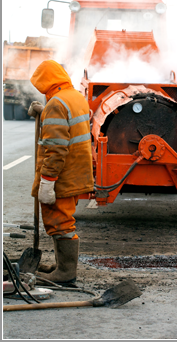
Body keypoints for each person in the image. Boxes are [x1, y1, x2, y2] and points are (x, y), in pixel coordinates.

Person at [28, 60, 94, 284]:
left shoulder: (56, 104)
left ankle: (66, 273)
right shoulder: (74, 96)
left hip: (62, 176)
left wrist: (47, 182)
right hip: (77, 172)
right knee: (63, 217)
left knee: (60, 220)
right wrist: (44, 111)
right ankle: (61, 264)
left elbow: (55, 149)